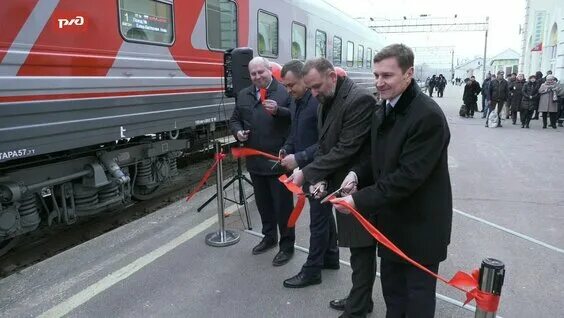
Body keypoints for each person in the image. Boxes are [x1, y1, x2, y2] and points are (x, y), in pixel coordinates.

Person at [332, 43, 453, 318]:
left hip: (421, 227)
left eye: (387, 75)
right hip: (391, 223)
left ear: (408, 73)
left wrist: (356, 200)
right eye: (376, 75)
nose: (379, 82)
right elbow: (377, 159)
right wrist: (355, 175)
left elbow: (407, 177)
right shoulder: (383, 108)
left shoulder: (427, 116)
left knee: (417, 299)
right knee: (393, 293)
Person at [285, 57, 376, 317]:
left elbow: (346, 148)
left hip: (358, 184)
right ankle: (359, 298)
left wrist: (306, 173)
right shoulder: (326, 99)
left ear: (332, 76)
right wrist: (321, 179)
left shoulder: (358, 100)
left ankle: (358, 308)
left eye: (316, 87)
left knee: (361, 249)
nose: (314, 93)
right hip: (340, 182)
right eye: (310, 88)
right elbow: (325, 144)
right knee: (356, 247)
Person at [278, 60, 340, 288]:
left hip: (319, 170)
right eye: (285, 86)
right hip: (306, 169)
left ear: (304, 80)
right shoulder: (295, 103)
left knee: (317, 221)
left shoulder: (318, 103)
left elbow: (326, 142)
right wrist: (287, 148)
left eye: (291, 85)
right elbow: (295, 133)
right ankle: (331, 257)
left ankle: (313, 270)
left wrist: (301, 157)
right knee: (323, 216)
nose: (288, 90)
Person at [229, 57, 295, 266]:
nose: (258, 76)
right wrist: (238, 132)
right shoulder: (243, 95)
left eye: (261, 72)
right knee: (263, 205)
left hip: (278, 162)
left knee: (283, 208)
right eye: (253, 73)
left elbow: (296, 118)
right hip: (255, 162)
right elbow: (234, 119)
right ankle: (269, 237)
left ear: (270, 71)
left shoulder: (285, 92)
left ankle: (287, 246)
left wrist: (279, 111)